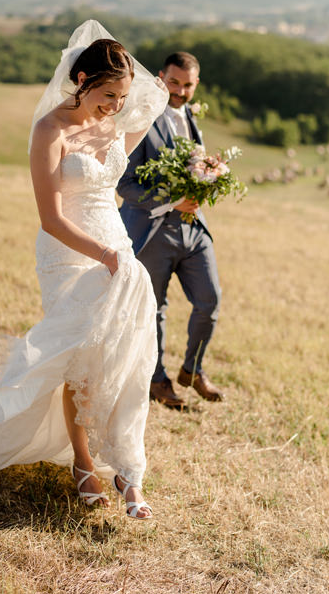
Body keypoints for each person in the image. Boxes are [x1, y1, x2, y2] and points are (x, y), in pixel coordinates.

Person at [0, 20, 169, 520]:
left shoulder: (114, 125)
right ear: (82, 77)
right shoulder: (49, 130)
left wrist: (118, 251)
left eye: (122, 96)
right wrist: (103, 254)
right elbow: (50, 218)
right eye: (108, 94)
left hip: (117, 243)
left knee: (126, 355)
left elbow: (156, 96)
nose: (115, 106)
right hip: (68, 251)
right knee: (78, 356)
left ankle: (130, 471)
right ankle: (84, 462)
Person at [117, 52, 223, 410]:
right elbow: (124, 183)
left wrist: (207, 181)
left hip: (194, 231)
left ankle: (192, 369)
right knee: (155, 309)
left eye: (188, 85)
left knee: (209, 301)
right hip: (151, 230)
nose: (179, 91)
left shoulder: (191, 116)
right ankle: (157, 380)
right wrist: (172, 200)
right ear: (161, 77)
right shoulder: (142, 117)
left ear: (196, 84)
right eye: (174, 82)